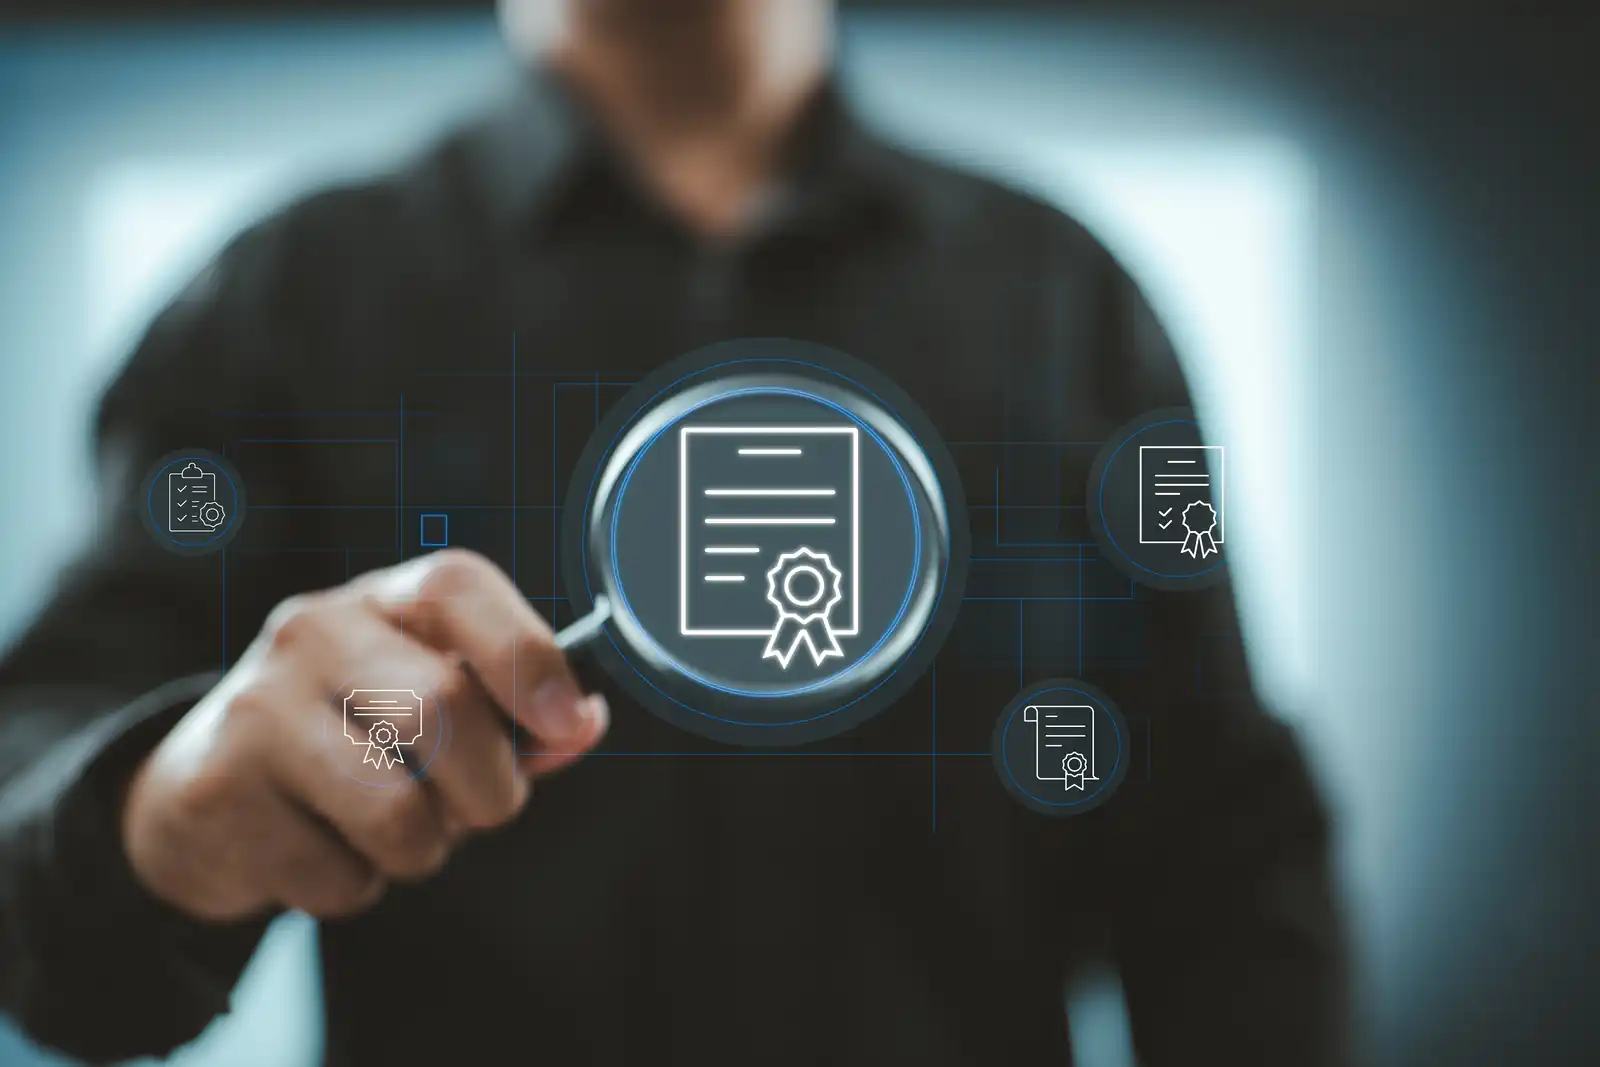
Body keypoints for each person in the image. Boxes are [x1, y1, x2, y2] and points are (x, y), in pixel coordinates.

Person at [0, 1, 1348, 1063]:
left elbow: (1229, 866)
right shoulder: (283, 300)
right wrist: (165, 814)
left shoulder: (1076, 304)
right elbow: (33, 859)